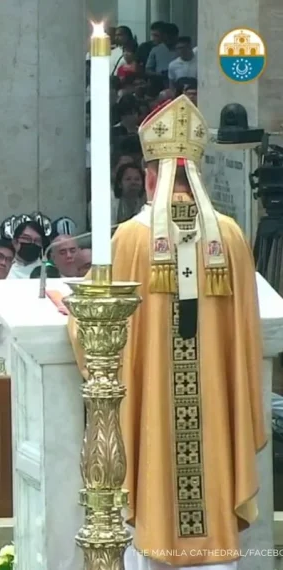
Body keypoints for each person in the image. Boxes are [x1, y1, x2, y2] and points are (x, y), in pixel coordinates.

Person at [69, 95, 265, 570]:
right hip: (214, 415)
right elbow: (247, 338)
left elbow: (97, 330)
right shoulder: (231, 236)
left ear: (151, 175)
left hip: (155, 415)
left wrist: (74, 316)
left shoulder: (133, 238)